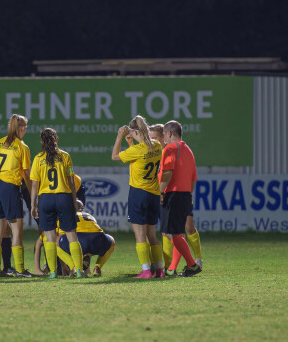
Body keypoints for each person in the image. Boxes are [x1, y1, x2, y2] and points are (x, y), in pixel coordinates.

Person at [0, 114, 33, 278]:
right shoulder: (22, 147)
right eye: (25, 126)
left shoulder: (0, 142)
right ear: (20, 127)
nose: (25, 129)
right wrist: (33, 195)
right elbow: (27, 175)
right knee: (17, 231)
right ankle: (21, 270)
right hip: (10, 188)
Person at [111, 115, 164, 279]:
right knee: (152, 234)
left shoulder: (137, 151)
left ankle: (146, 271)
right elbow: (141, 156)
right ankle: (159, 271)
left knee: (140, 235)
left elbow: (114, 156)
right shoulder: (157, 145)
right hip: (154, 194)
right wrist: (131, 143)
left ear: (134, 131)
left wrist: (119, 137)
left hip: (139, 193)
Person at [30, 128, 85, 279]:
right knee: (71, 235)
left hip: (46, 199)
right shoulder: (65, 156)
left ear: (41, 142)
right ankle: (79, 270)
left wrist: (33, 205)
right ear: (57, 140)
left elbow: (34, 185)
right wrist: (74, 201)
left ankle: (53, 272)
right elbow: (71, 181)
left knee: (49, 237)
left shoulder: (38, 158)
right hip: (63, 197)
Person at [150, 123, 203, 274]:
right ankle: (172, 268)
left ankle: (192, 265)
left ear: (169, 134)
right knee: (174, 233)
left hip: (173, 194)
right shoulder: (188, 150)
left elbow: (167, 173)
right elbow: (193, 179)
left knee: (171, 233)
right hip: (185, 195)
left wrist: (160, 193)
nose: (164, 140)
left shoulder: (171, 148)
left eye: (164, 136)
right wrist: (186, 195)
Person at [57, 200, 115, 277]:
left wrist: (64, 265)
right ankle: (97, 268)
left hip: (79, 240)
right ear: (82, 208)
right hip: (98, 240)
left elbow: (60, 237)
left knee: (55, 243)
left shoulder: (66, 216)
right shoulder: (89, 215)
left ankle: (73, 268)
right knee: (111, 241)